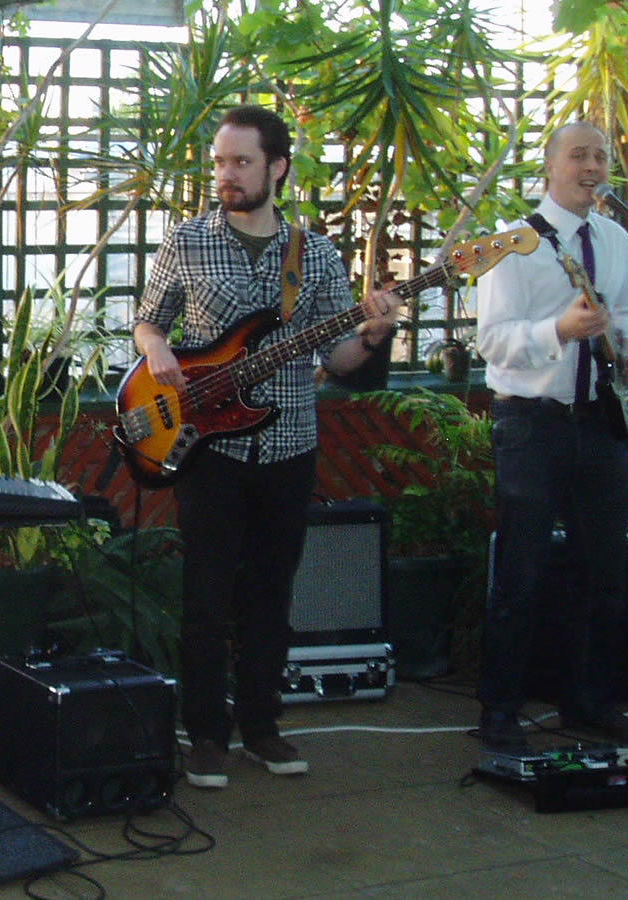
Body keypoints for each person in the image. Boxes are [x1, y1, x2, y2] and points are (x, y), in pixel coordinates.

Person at [131, 105, 395, 789]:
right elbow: (148, 323)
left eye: (241, 162)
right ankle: (204, 733)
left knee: (271, 596)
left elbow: (339, 359)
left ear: (277, 167)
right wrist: (156, 349)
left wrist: (373, 333)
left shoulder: (317, 255)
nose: (226, 174)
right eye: (220, 162)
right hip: (209, 447)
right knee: (206, 595)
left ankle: (262, 727)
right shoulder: (186, 241)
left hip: (290, 445)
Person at [474, 121, 628, 751]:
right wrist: (559, 330)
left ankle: (590, 703)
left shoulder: (615, 239)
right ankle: (500, 711)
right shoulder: (512, 244)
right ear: (549, 166)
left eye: (601, 157)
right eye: (579, 156)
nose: (592, 167)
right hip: (532, 424)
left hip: (601, 422)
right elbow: (493, 340)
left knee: (603, 575)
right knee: (520, 576)